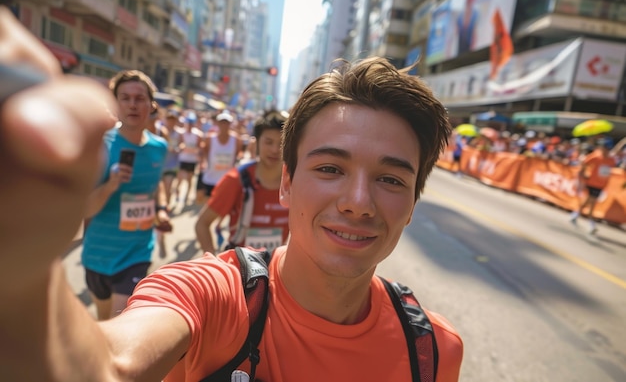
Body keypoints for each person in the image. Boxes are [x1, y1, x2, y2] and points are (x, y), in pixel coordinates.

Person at [1, 46, 463, 380]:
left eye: (391, 179)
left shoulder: (433, 350)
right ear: (287, 181)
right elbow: (109, 366)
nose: (357, 202)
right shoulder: (209, 297)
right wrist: (18, 273)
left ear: (412, 203)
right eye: (329, 168)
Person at [80, 69, 172, 320]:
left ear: (151, 105)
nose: (133, 104)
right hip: (98, 255)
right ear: (116, 103)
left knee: (120, 323)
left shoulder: (159, 147)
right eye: (125, 98)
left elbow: (156, 186)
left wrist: (161, 209)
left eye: (139, 98)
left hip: (137, 253)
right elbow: (85, 209)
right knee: (103, 322)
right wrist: (110, 185)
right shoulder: (101, 144)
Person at [195, 110, 289, 254]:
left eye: (282, 143)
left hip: (277, 270)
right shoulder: (236, 179)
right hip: (239, 270)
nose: (275, 149)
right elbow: (202, 224)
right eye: (268, 142)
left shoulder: (295, 182)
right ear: (256, 143)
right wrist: (213, 264)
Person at [570, 138, 616, 234]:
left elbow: (608, 171)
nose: (602, 149)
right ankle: (591, 224)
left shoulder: (611, 160)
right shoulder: (595, 156)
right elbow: (584, 162)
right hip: (592, 183)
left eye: (604, 147)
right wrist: (583, 173)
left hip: (601, 185)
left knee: (588, 201)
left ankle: (576, 214)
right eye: (602, 147)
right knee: (592, 202)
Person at [195, 109, 242, 205]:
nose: (224, 125)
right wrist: (202, 163)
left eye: (226, 123)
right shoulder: (210, 138)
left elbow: (237, 155)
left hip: (226, 180)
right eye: (222, 123)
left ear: (230, 124)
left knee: (222, 205)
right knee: (207, 204)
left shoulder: (236, 139)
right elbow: (203, 152)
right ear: (218, 124)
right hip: (210, 177)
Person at [174, 111, 203, 206]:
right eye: (188, 123)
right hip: (183, 159)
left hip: (192, 160)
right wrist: (181, 147)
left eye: (191, 123)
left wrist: (197, 153)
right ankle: (177, 196)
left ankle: (186, 197)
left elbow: (200, 147)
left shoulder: (198, 134)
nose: (189, 125)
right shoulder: (182, 133)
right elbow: (179, 144)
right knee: (180, 179)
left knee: (190, 180)